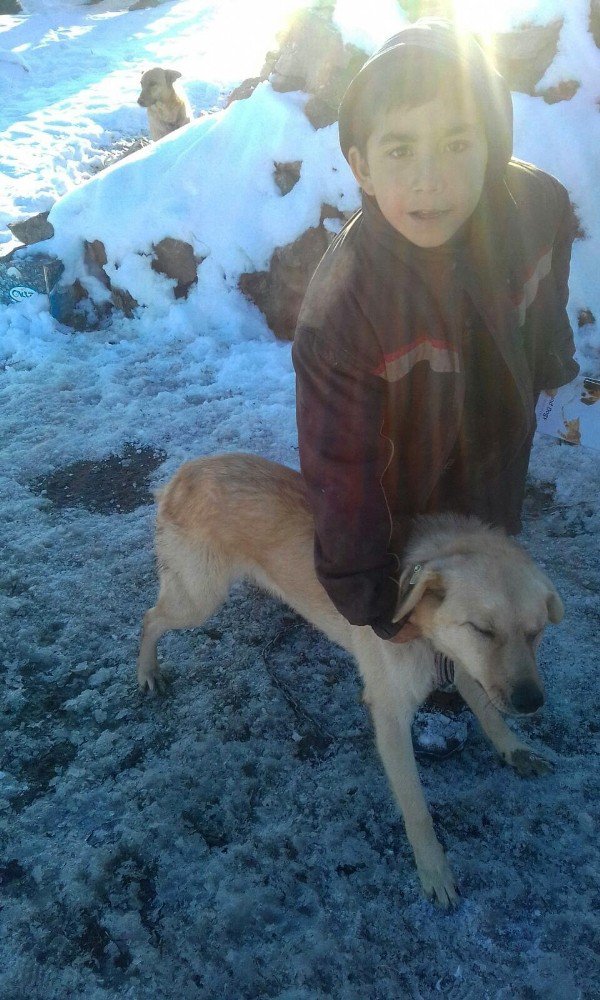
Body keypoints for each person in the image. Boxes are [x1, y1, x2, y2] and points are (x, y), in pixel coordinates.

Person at [292, 18, 579, 645]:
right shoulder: (346, 308)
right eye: (400, 151)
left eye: (457, 143)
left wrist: (552, 355)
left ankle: (488, 634)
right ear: (361, 166)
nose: (431, 179)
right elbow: (340, 468)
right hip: (408, 485)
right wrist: (371, 596)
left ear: (492, 146)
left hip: (500, 441)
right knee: (431, 597)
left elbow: (555, 243)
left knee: (492, 526)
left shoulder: (531, 205)